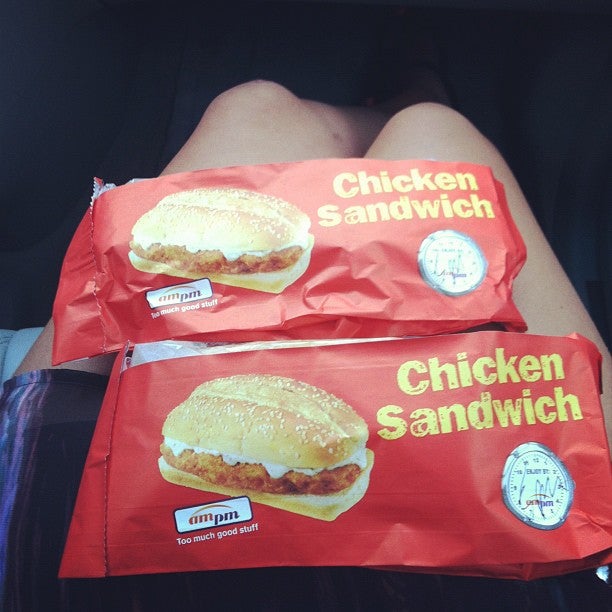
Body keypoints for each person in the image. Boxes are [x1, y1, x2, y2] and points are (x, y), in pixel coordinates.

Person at [2, 76, 612, 610]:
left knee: (253, 108)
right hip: (526, 575)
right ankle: (414, 91)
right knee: (431, 133)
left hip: (43, 524)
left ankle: (397, 98)